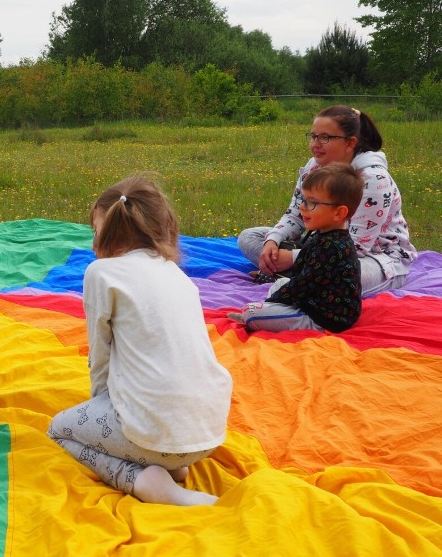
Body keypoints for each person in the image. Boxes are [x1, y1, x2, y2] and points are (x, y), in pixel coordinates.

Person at [47, 176, 233, 506]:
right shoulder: (176, 273)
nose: (92, 245)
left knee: (58, 429)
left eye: (95, 232)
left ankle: (147, 482)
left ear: (109, 232)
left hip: (154, 436)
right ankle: (169, 463)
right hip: (208, 433)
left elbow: (100, 360)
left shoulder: (101, 272)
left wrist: (99, 411)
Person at [237, 105, 417, 297]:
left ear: (350, 143)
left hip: (374, 258)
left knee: (340, 274)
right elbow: (296, 215)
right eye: (313, 136)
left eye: (325, 137)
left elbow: (356, 248)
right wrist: (273, 241)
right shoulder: (314, 167)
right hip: (319, 245)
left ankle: (291, 277)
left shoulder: (373, 179)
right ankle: (296, 276)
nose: (315, 144)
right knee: (250, 237)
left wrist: (292, 258)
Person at [228, 163, 363, 332]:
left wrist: (271, 303)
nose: (302, 207)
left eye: (311, 203)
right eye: (304, 201)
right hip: (315, 301)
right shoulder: (325, 236)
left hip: (326, 318)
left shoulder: (332, 247)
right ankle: (274, 312)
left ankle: (268, 315)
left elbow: (302, 285)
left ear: (339, 213)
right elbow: (301, 275)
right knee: (282, 283)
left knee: (251, 312)